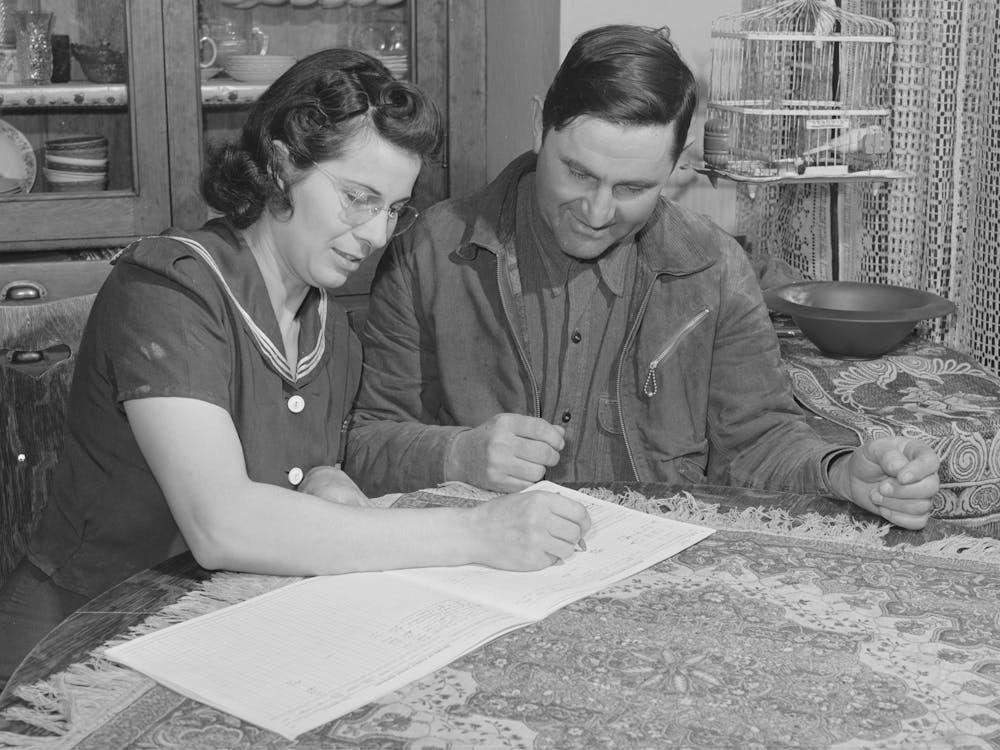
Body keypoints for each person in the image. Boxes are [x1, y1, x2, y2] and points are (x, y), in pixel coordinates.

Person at [0, 49, 590, 686]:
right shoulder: (168, 288)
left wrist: (328, 483)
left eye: (394, 209)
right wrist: (476, 533)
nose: (375, 235)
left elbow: (302, 468)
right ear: (281, 164)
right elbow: (222, 523)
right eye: (358, 198)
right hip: (79, 648)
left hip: (216, 638)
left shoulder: (330, 328)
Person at [345, 25, 940, 528]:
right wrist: (459, 452)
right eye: (577, 173)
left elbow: (756, 439)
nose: (598, 212)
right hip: (480, 562)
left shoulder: (714, 268)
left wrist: (842, 472)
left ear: (675, 168)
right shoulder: (429, 251)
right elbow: (365, 445)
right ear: (537, 129)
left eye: (633, 188)